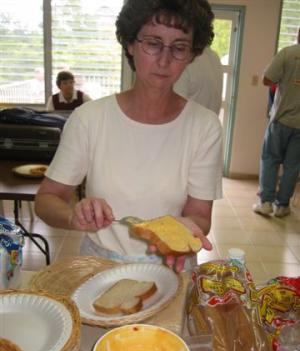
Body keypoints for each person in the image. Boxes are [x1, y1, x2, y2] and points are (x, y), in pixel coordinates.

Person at [35, 0, 223, 272]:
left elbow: (200, 214)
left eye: (179, 47)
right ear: (131, 44)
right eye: (153, 43)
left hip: (172, 266)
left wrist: (184, 229)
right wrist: (73, 216)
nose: (164, 59)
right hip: (98, 266)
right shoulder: (90, 118)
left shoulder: (204, 126)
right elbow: (46, 200)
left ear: (191, 54)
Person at [253, 28, 300, 218]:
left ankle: (265, 203)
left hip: (280, 119)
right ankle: (282, 206)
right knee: (293, 166)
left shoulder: (288, 53)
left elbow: (267, 80)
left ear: (299, 35)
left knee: (270, 160)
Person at [174, 46, 223, 114]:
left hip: (189, 122)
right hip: (209, 121)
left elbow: (175, 110)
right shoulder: (214, 57)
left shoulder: (186, 62)